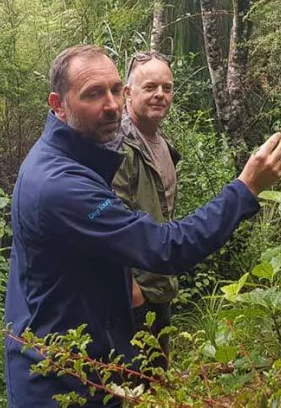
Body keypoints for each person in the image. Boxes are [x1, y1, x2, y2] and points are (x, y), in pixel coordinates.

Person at [4, 45, 281, 407]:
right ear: (57, 104)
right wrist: (245, 189)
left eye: (112, 89)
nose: (110, 105)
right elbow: (164, 246)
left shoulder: (82, 155)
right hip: (61, 382)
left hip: (86, 359)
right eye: (92, 94)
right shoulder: (61, 184)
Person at [112, 51, 180, 366]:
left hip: (159, 281)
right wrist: (129, 285)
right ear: (128, 93)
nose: (160, 95)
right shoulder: (119, 146)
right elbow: (111, 220)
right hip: (136, 292)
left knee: (158, 379)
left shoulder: (160, 143)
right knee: (137, 382)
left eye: (166, 88)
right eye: (150, 87)